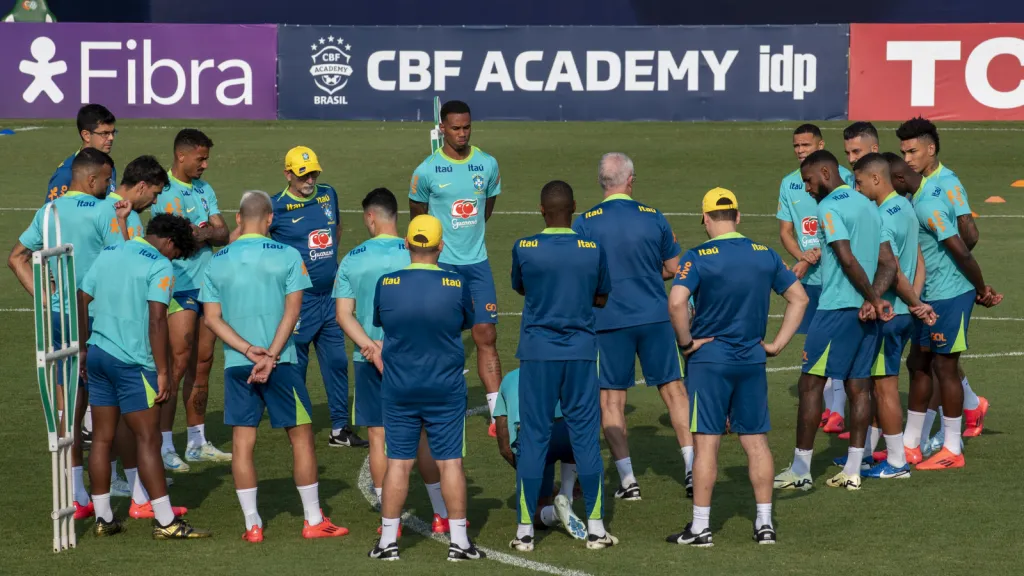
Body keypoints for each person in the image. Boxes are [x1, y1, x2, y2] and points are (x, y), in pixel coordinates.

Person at [200, 191, 348, 542]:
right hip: (282, 363)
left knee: (242, 444)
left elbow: (211, 319)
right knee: (301, 439)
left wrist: (248, 350)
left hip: (238, 365)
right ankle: (312, 520)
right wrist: (270, 355)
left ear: (238, 218)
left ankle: (253, 525)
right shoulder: (287, 255)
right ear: (270, 220)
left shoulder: (217, 262)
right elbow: (293, 311)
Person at [667, 187, 807, 547]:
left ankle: (701, 527)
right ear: (739, 217)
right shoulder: (765, 255)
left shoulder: (698, 256)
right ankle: (764, 524)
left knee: (707, 444)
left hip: (710, 361)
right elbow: (799, 298)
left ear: (707, 219)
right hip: (752, 359)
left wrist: (686, 343)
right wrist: (776, 344)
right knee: (756, 441)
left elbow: (677, 302)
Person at [9, 147, 128, 518]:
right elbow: (120, 261)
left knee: (70, 406)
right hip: (97, 316)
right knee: (113, 402)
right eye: (108, 179)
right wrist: (122, 221)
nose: (110, 186)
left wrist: (45, 300)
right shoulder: (105, 209)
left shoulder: (49, 211)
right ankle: (121, 488)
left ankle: (77, 494)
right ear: (91, 179)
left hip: (59, 318)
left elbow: (16, 257)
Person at [572, 152, 694, 501]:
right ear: (630, 180)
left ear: (602, 183)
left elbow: (581, 274)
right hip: (654, 317)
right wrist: (645, 275)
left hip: (608, 321)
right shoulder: (652, 216)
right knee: (674, 392)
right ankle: (691, 468)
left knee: (611, 398)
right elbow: (674, 267)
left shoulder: (586, 222)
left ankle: (628, 481)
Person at [78, 214, 209, 539]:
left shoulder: (110, 253)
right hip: (133, 362)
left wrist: (83, 347)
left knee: (102, 438)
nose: (174, 259)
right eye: (177, 253)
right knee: (148, 439)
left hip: (97, 355)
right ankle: (166, 522)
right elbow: (157, 321)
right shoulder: (159, 266)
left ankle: (104, 518)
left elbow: (82, 297)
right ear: (168, 242)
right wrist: (164, 371)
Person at [333, 189, 456, 534]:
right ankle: (440, 513)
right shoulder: (418, 253)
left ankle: (392, 521)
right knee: (424, 437)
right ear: (395, 217)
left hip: (368, 358)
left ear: (370, 217)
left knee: (377, 436)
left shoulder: (353, 258)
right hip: (416, 358)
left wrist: (371, 349)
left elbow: (344, 314)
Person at [369, 215, 483, 562]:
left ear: (407, 243)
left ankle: (387, 543)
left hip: (400, 387)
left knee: (398, 464)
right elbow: (467, 321)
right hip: (444, 387)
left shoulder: (386, 283)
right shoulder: (456, 282)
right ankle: (459, 543)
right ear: (440, 246)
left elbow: (381, 322)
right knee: (450, 464)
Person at [510, 180, 617, 552]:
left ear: (541, 209)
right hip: (580, 352)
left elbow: (521, 287)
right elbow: (602, 295)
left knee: (534, 437)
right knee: (586, 438)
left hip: (537, 353)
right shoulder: (592, 249)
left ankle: (525, 530)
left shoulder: (524, 247)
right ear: (574, 206)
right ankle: (597, 529)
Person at [774, 150, 889, 492]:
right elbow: (888, 264)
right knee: (859, 387)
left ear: (825, 172)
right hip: (865, 313)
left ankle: (801, 470)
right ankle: (854, 469)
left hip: (838, 307)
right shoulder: (869, 205)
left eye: (809, 180)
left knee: (810, 385)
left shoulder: (829, 207)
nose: (807, 189)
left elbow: (845, 256)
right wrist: (875, 299)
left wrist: (869, 298)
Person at [887, 156, 1002, 470]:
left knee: (944, 368)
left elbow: (961, 248)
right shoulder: (922, 195)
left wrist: (980, 289)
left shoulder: (927, 205)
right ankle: (912, 444)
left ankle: (952, 447)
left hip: (948, 295)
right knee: (918, 362)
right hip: (930, 295)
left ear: (897, 179)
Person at [409, 100, 503, 436]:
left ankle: (496, 413)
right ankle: (436, 404)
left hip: (477, 264)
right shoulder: (427, 170)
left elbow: (486, 208)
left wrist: (469, 235)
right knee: (440, 338)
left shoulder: (487, 164)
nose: (462, 134)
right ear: (442, 128)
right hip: (441, 267)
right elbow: (418, 216)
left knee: (486, 335)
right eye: (455, 128)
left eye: (467, 127)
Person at [897, 117, 988, 443]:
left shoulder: (947, 183)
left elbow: (968, 232)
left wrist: (952, 262)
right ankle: (970, 406)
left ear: (931, 149)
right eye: (904, 152)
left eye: (913, 151)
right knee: (929, 361)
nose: (907, 159)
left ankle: (944, 435)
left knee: (939, 362)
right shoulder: (913, 185)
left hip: (946, 288)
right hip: (925, 289)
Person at [268, 146, 364, 448]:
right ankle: (300, 427)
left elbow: (336, 228)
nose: (310, 179)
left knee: (336, 362)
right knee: (296, 365)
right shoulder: (276, 206)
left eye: (313, 173)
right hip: (300, 302)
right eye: (303, 174)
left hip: (332, 297)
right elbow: (253, 238)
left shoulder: (328, 194)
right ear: (288, 174)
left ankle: (340, 429)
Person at [152, 129, 232, 470]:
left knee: (204, 362)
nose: (205, 164)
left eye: (206, 158)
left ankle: (197, 441)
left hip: (207, 286)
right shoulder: (162, 190)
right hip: (178, 286)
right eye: (200, 158)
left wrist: (199, 234)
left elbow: (223, 232)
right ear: (181, 156)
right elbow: (165, 239)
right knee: (177, 363)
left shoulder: (205, 189)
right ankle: (165, 444)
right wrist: (200, 234)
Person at [852, 154, 935, 479]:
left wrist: (911, 302)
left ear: (876, 179)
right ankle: (869, 454)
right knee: (879, 384)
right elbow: (918, 261)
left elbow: (892, 268)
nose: (856, 189)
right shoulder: (906, 208)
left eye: (859, 182)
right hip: (904, 313)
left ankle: (898, 461)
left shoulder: (882, 216)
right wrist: (915, 301)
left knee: (884, 387)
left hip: (889, 313)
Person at [776, 124, 856, 437]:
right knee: (815, 342)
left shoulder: (845, 179)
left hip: (839, 275)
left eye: (806, 145)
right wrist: (803, 256)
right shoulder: (789, 184)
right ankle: (831, 408)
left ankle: (836, 410)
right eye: (796, 146)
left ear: (820, 145)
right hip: (810, 276)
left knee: (837, 341)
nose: (800, 150)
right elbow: (786, 231)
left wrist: (823, 251)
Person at [493, 368, 587, 542]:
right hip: (564, 432)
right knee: (572, 440)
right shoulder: (559, 371)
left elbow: (504, 445)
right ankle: (567, 496)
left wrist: (530, 472)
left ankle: (553, 514)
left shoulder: (508, 379)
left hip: (531, 438)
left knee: (534, 513)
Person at [47, 104, 117, 203]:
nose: (111, 138)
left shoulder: (107, 165)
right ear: (86, 135)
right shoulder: (66, 173)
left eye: (113, 132)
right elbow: (52, 214)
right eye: (105, 133)